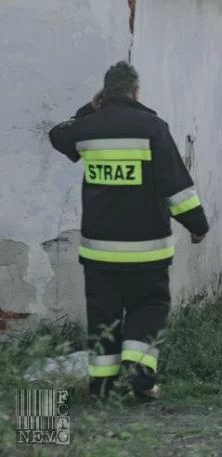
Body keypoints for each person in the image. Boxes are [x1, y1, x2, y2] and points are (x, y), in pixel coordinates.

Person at [48, 61, 209, 400]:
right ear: (135, 92)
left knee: (103, 318)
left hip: (98, 252)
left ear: (104, 94)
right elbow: (176, 187)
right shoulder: (153, 128)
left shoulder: (87, 127)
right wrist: (197, 226)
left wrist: (88, 110)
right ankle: (138, 378)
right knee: (148, 308)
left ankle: (102, 387)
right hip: (146, 251)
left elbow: (58, 134)